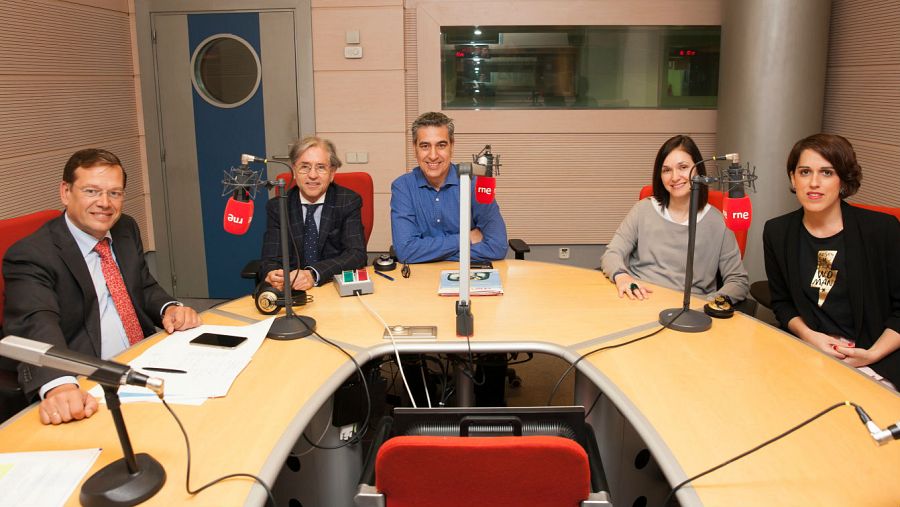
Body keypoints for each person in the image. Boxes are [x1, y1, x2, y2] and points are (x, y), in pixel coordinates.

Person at [2, 148, 201, 425]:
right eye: (92, 191)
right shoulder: (32, 254)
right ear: (65, 192)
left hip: (143, 361)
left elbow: (142, 285)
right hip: (87, 378)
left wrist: (169, 307)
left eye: (114, 193)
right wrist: (60, 385)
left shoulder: (125, 228)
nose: (105, 203)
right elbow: (36, 324)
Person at [763, 133, 899, 389]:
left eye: (827, 173)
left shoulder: (882, 231)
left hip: (875, 361)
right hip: (808, 354)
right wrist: (810, 336)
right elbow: (782, 303)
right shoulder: (777, 232)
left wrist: (872, 354)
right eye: (805, 172)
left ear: (843, 181)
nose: (814, 183)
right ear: (793, 177)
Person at [600, 135, 749, 302]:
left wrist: (709, 304)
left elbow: (738, 281)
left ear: (698, 170)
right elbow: (612, 253)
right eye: (666, 170)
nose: (675, 177)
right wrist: (622, 277)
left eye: (683, 167)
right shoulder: (643, 210)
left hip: (691, 312)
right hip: (639, 300)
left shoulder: (719, 222)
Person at [391, 112, 508, 263]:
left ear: (452, 146)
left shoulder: (477, 183)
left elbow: (497, 247)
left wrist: (429, 254)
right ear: (415, 149)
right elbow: (406, 252)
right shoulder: (402, 187)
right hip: (422, 277)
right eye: (425, 146)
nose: (433, 156)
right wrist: (465, 238)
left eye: (441, 145)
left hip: (471, 276)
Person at [259, 136, 366, 291]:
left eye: (321, 167)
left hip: (332, 287)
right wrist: (273, 274)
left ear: (332, 173)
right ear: (294, 170)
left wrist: (313, 274)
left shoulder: (348, 201)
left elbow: (356, 255)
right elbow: (270, 259)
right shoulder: (278, 207)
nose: (313, 175)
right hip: (292, 292)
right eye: (305, 167)